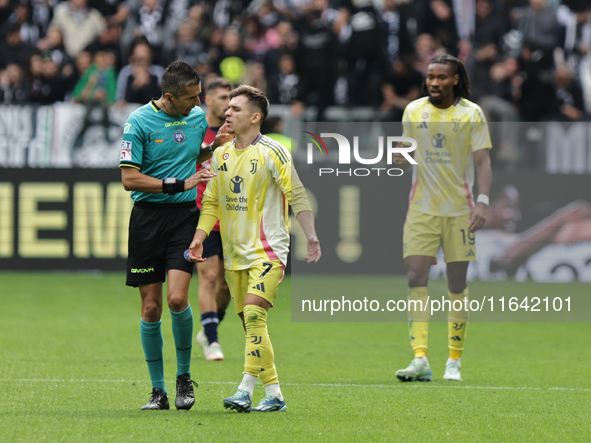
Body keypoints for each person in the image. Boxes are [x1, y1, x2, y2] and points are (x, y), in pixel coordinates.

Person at [188, 85, 321, 412]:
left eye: (235, 108)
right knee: (252, 325)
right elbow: (212, 202)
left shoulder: (273, 151)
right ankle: (274, 394)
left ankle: (245, 390)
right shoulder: (221, 153)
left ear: (255, 116)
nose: (228, 113)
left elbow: (298, 195)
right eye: (228, 107)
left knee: (253, 313)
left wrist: (312, 235)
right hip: (235, 256)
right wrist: (200, 236)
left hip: (268, 251)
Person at [119, 60, 231, 410]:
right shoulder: (138, 121)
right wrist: (180, 183)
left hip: (184, 218)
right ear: (169, 97)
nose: (198, 105)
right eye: (191, 98)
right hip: (147, 220)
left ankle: (184, 379)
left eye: (199, 96)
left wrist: (213, 149)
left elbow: (191, 155)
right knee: (151, 307)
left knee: (177, 301)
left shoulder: (197, 119)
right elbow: (129, 178)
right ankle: (157, 391)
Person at [393, 54, 493, 382]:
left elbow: (482, 163)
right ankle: (420, 358)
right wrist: (398, 157)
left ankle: (454, 360)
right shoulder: (413, 110)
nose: (434, 82)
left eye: (441, 77)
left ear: (455, 79)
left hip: (460, 211)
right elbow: (405, 154)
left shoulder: (471, 114)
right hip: (420, 208)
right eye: (430, 76)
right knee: (414, 277)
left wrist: (482, 201)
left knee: (456, 283)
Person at [194, 77, 233, 361]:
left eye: (231, 98)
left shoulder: (238, 133)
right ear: (208, 99)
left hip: (233, 217)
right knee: (208, 277)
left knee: (227, 285)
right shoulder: (195, 131)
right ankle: (213, 341)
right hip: (202, 215)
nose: (228, 103)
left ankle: (210, 324)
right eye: (222, 97)